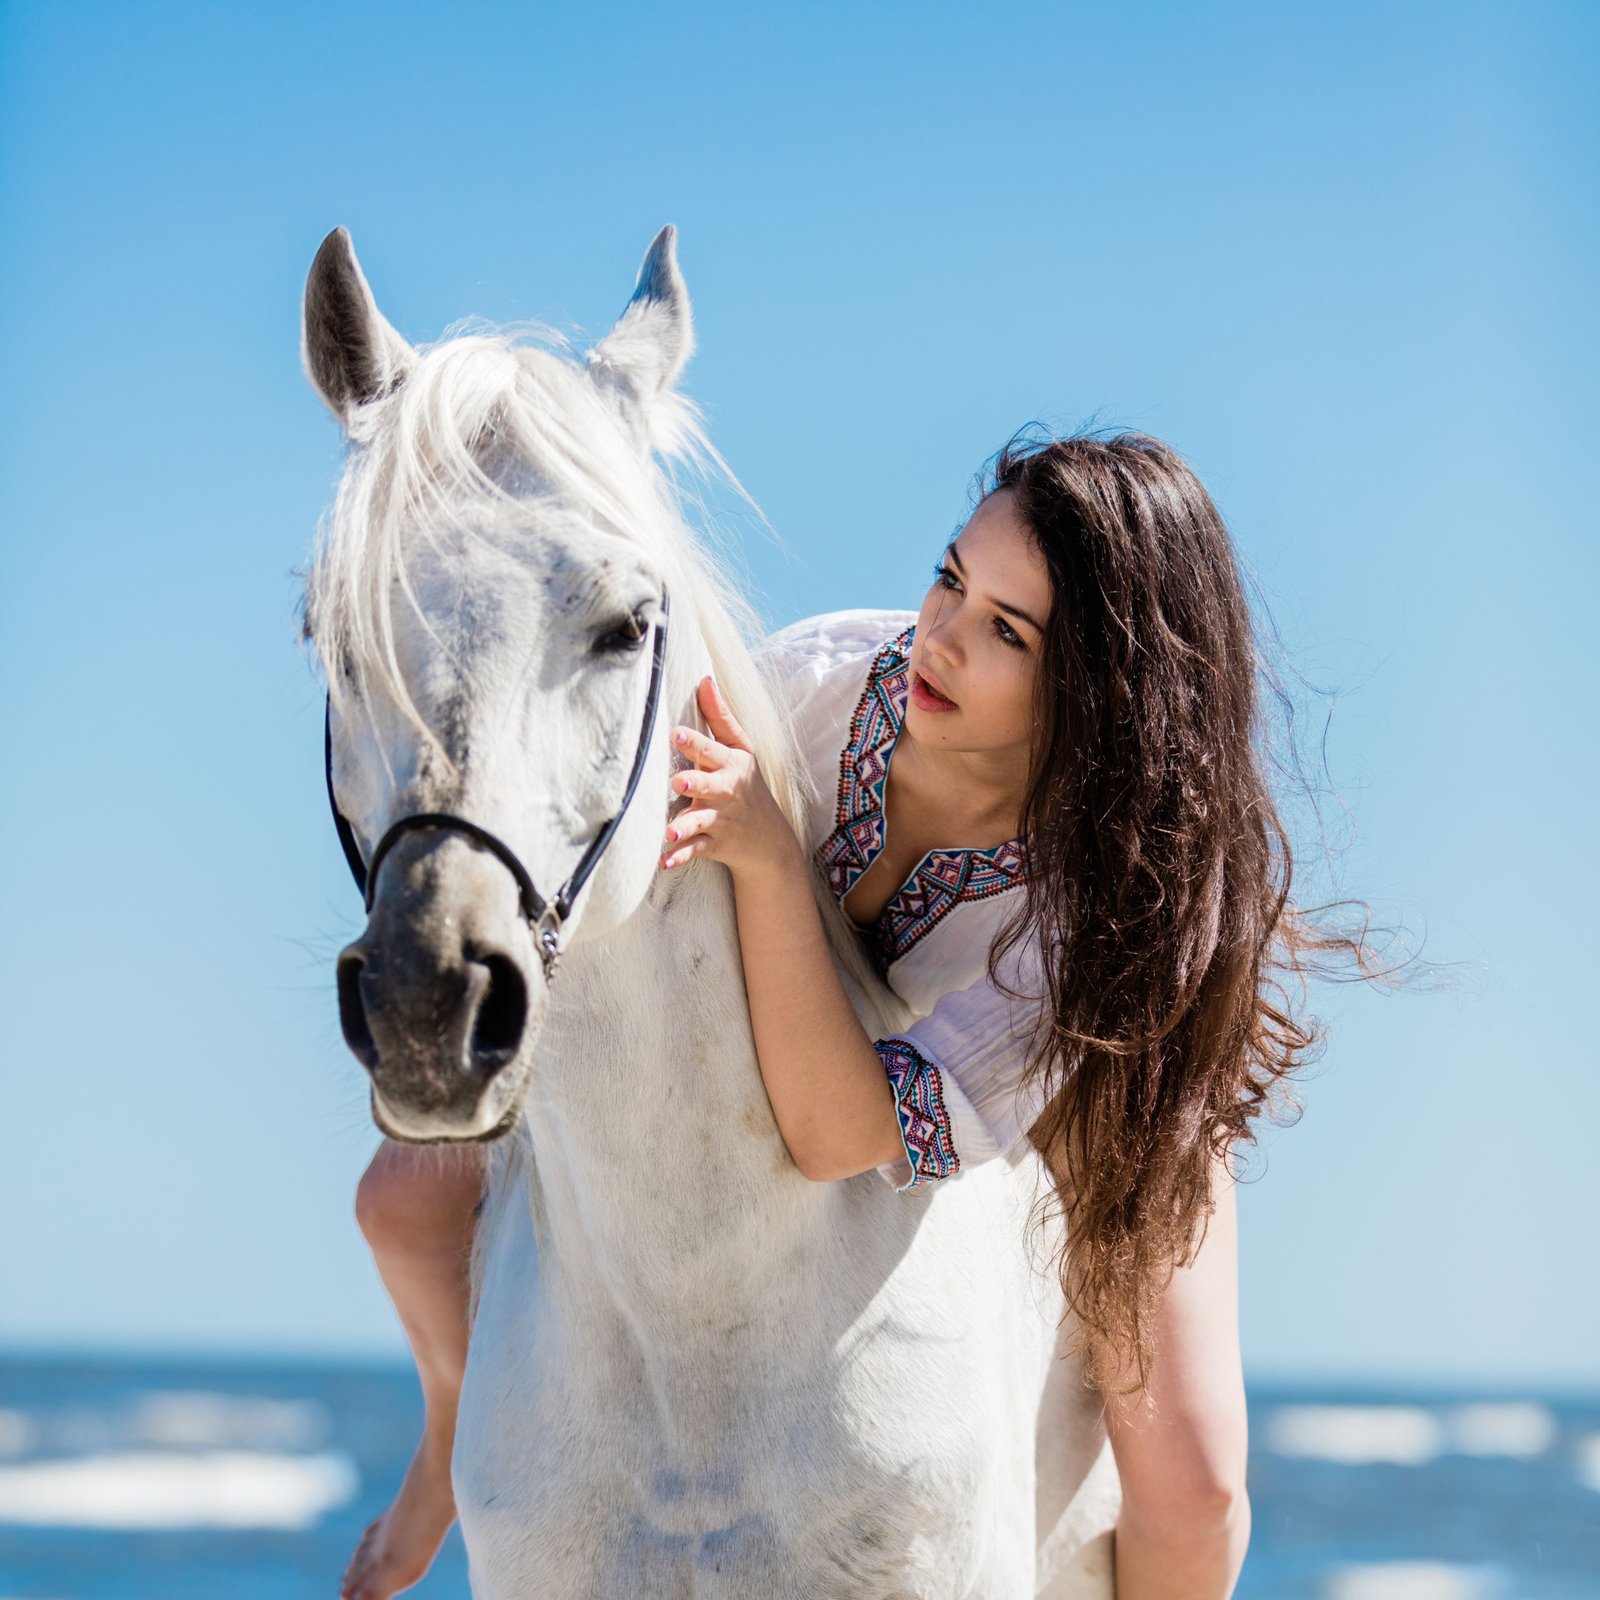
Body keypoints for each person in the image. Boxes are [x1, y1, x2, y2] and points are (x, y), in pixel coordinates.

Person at [341, 430, 1371, 1600]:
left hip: (1091, 1068)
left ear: (1098, 691)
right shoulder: (823, 681)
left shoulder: (1100, 916)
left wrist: (774, 860)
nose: (940, 634)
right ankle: (446, 1436)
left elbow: (844, 1135)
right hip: (809, 1025)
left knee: (1190, 1477)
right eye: (951, 579)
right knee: (400, 1203)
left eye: (1007, 632)